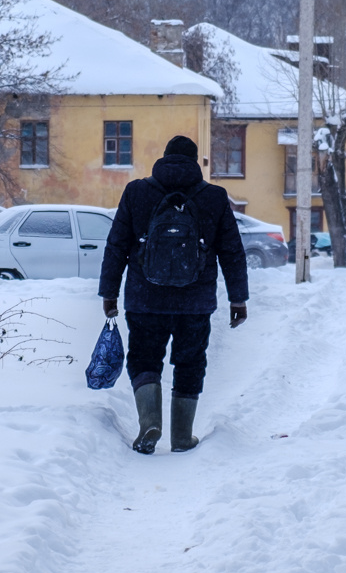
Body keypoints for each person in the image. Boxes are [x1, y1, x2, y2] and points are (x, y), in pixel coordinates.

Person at [99, 134, 249, 454]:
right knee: (190, 363)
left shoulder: (136, 192)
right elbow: (232, 252)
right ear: (195, 162)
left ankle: (150, 421)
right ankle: (182, 436)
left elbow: (116, 246)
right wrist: (238, 299)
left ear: (164, 158)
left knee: (144, 359)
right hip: (195, 301)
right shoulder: (215, 197)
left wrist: (108, 293)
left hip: (144, 297)